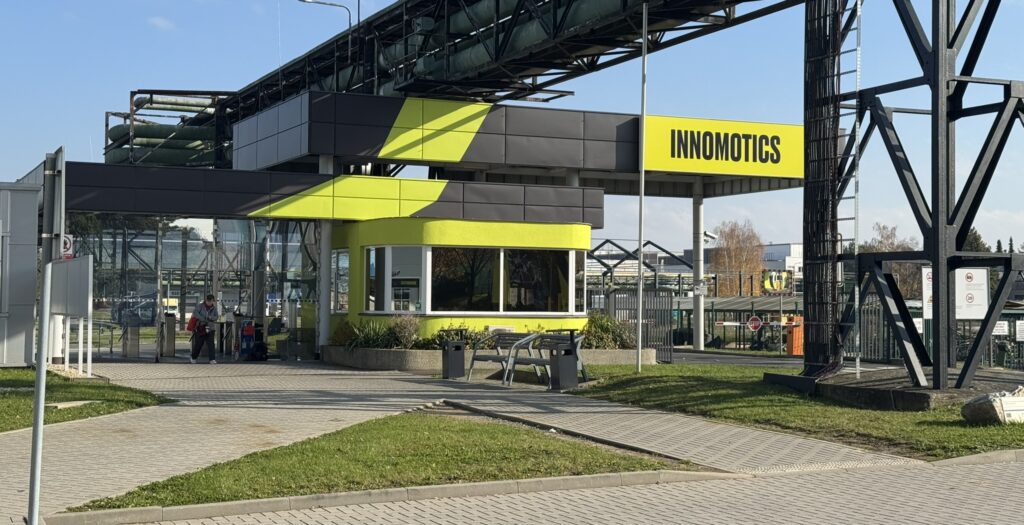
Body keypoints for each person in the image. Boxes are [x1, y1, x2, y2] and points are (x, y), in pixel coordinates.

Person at [190, 294, 219, 364]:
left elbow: (216, 317)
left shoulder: (214, 308)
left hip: (210, 328)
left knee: (211, 344)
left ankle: (212, 359)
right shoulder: (200, 306)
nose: (209, 303)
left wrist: (211, 318)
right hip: (200, 327)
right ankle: (194, 357)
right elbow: (195, 313)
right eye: (208, 301)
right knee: (199, 344)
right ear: (206, 300)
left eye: (211, 301)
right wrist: (203, 319)